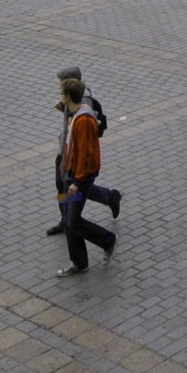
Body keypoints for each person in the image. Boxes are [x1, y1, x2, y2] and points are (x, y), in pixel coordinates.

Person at [51, 73, 114, 277]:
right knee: (69, 218)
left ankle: (107, 239)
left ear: (69, 96)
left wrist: (76, 182)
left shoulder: (84, 121)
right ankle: (79, 262)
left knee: (73, 221)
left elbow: (86, 155)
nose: (60, 97)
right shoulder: (76, 114)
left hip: (80, 178)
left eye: (62, 94)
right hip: (68, 173)